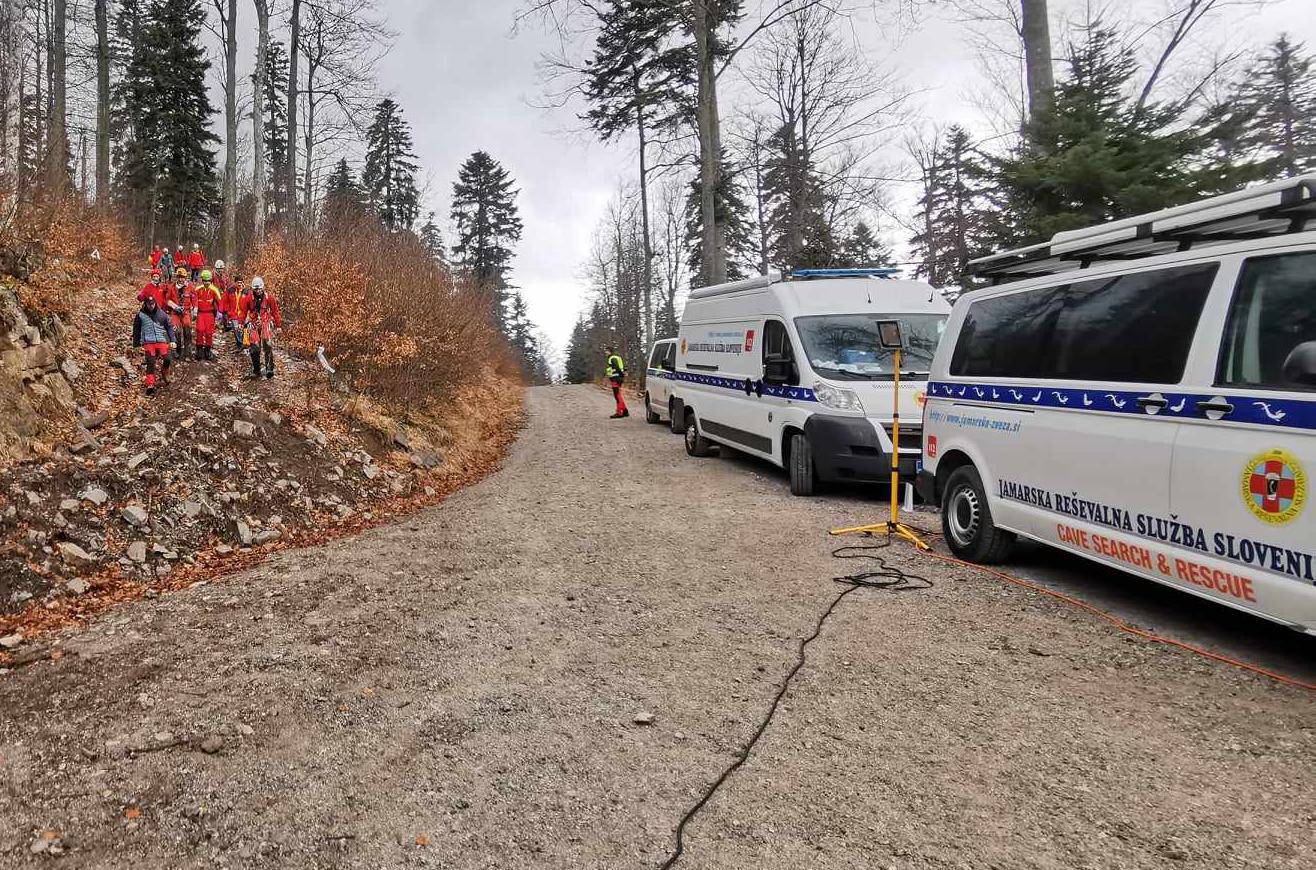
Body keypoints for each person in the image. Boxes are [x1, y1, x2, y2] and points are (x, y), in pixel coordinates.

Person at [131, 295, 176, 395]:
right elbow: (136, 330)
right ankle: (150, 384)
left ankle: (165, 371)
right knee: (150, 362)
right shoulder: (140, 315)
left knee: (168, 358)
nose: (151, 306)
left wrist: (173, 340)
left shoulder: (161, 314)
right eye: (149, 304)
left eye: (153, 304)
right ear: (145, 304)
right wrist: (136, 345)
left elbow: (169, 327)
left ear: (155, 303)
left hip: (161, 341)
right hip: (148, 342)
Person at [242, 276, 281, 380]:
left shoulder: (269, 298)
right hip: (253, 323)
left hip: (265, 322)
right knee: (254, 348)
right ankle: (256, 370)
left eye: (260, 289)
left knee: (267, 345)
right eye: (256, 289)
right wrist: (241, 323)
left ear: (263, 288)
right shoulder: (248, 298)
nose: (258, 291)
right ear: (253, 289)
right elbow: (243, 311)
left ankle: (269, 369)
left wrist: (278, 325)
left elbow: (275, 312)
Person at [192, 269, 223, 361]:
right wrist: (194, 308)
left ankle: (208, 350)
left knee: (209, 332)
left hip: (210, 313)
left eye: (208, 280)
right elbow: (193, 298)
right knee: (200, 330)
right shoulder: (198, 289)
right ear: (202, 280)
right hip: (200, 313)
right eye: (205, 280)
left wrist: (219, 312)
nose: (206, 282)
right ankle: (199, 350)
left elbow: (220, 301)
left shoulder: (214, 289)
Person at [170, 268, 195, 359]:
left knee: (187, 328)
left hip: (186, 312)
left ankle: (188, 350)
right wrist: (174, 306)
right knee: (176, 330)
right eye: (179, 277)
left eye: (183, 277)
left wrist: (194, 308)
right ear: (177, 277)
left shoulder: (190, 287)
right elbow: (167, 300)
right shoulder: (172, 287)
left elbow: (194, 298)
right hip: (175, 312)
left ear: (186, 277)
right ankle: (177, 350)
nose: (181, 279)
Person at [220, 277, 246, 353]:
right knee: (235, 328)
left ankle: (244, 344)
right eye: (238, 282)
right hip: (233, 313)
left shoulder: (246, 292)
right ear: (235, 283)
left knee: (244, 329)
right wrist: (225, 311)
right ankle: (240, 344)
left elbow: (250, 303)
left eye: (241, 282)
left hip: (243, 314)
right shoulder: (230, 291)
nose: (239, 284)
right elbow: (224, 300)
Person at [605, 344, 629, 419]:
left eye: (606, 351)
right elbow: (623, 366)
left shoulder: (612, 358)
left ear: (610, 351)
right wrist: (624, 372)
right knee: (618, 394)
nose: (605, 352)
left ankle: (619, 412)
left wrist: (621, 374)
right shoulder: (617, 357)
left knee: (617, 395)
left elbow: (617, 367)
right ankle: (625, 411)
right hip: (618, 378)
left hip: (616, 378)